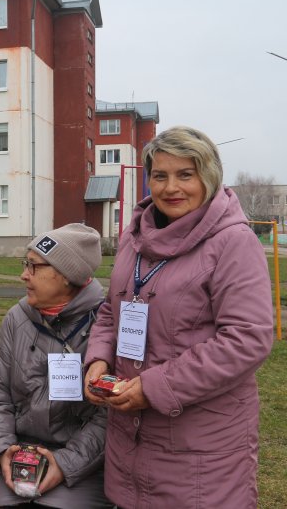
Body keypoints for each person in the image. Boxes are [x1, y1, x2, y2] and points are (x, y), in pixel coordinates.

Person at [84, 126, 274, 508]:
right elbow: (111, 309)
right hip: (130, 432)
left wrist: (154, 388)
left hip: (200, 440)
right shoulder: (134, 237)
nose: (172, 187)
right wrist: (99, 357)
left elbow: (246, 339)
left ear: (208, 177)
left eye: (185, 174)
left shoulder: (233, 242)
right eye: (160, 175)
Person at [0, 224, 112, 509]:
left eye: (34, 266)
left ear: (66, 276)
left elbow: (109, 417)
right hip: (16, 453)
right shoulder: (18, 319)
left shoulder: (106, 326)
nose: (23, 275)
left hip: (83, 466)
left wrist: (65, 464)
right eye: (25, 264)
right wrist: (4, 451)